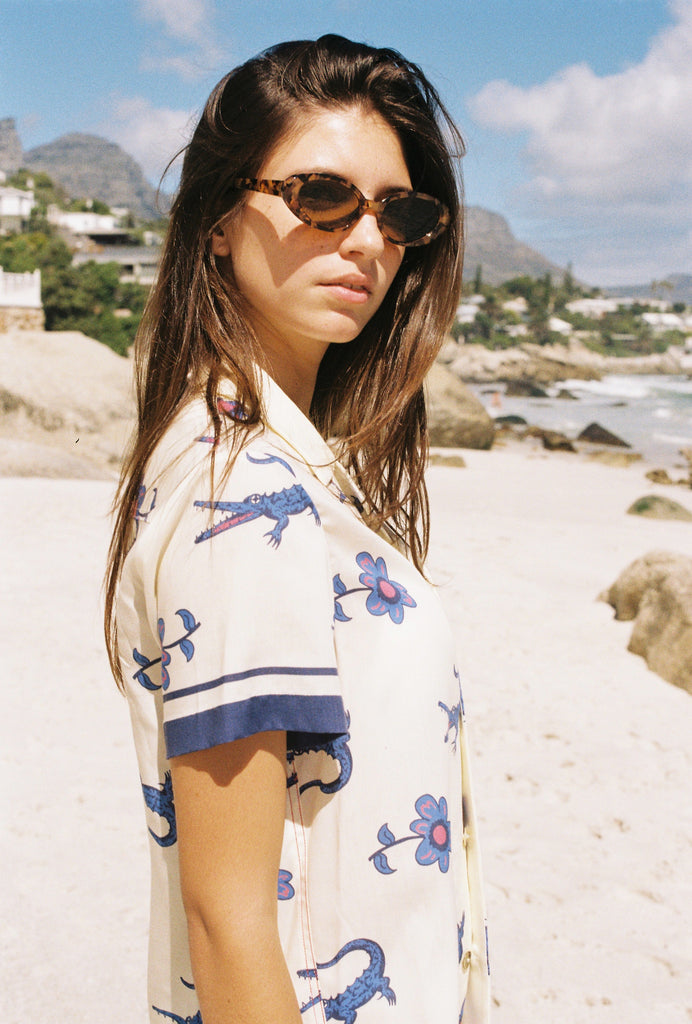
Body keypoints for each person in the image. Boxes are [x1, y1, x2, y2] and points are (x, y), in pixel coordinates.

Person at [105, 34, 489, 1024]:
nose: (363, 240)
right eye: (319, 197)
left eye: (396, 212)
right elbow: (228, 912)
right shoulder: (239, 489)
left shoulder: (288, 464)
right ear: (221, 218)